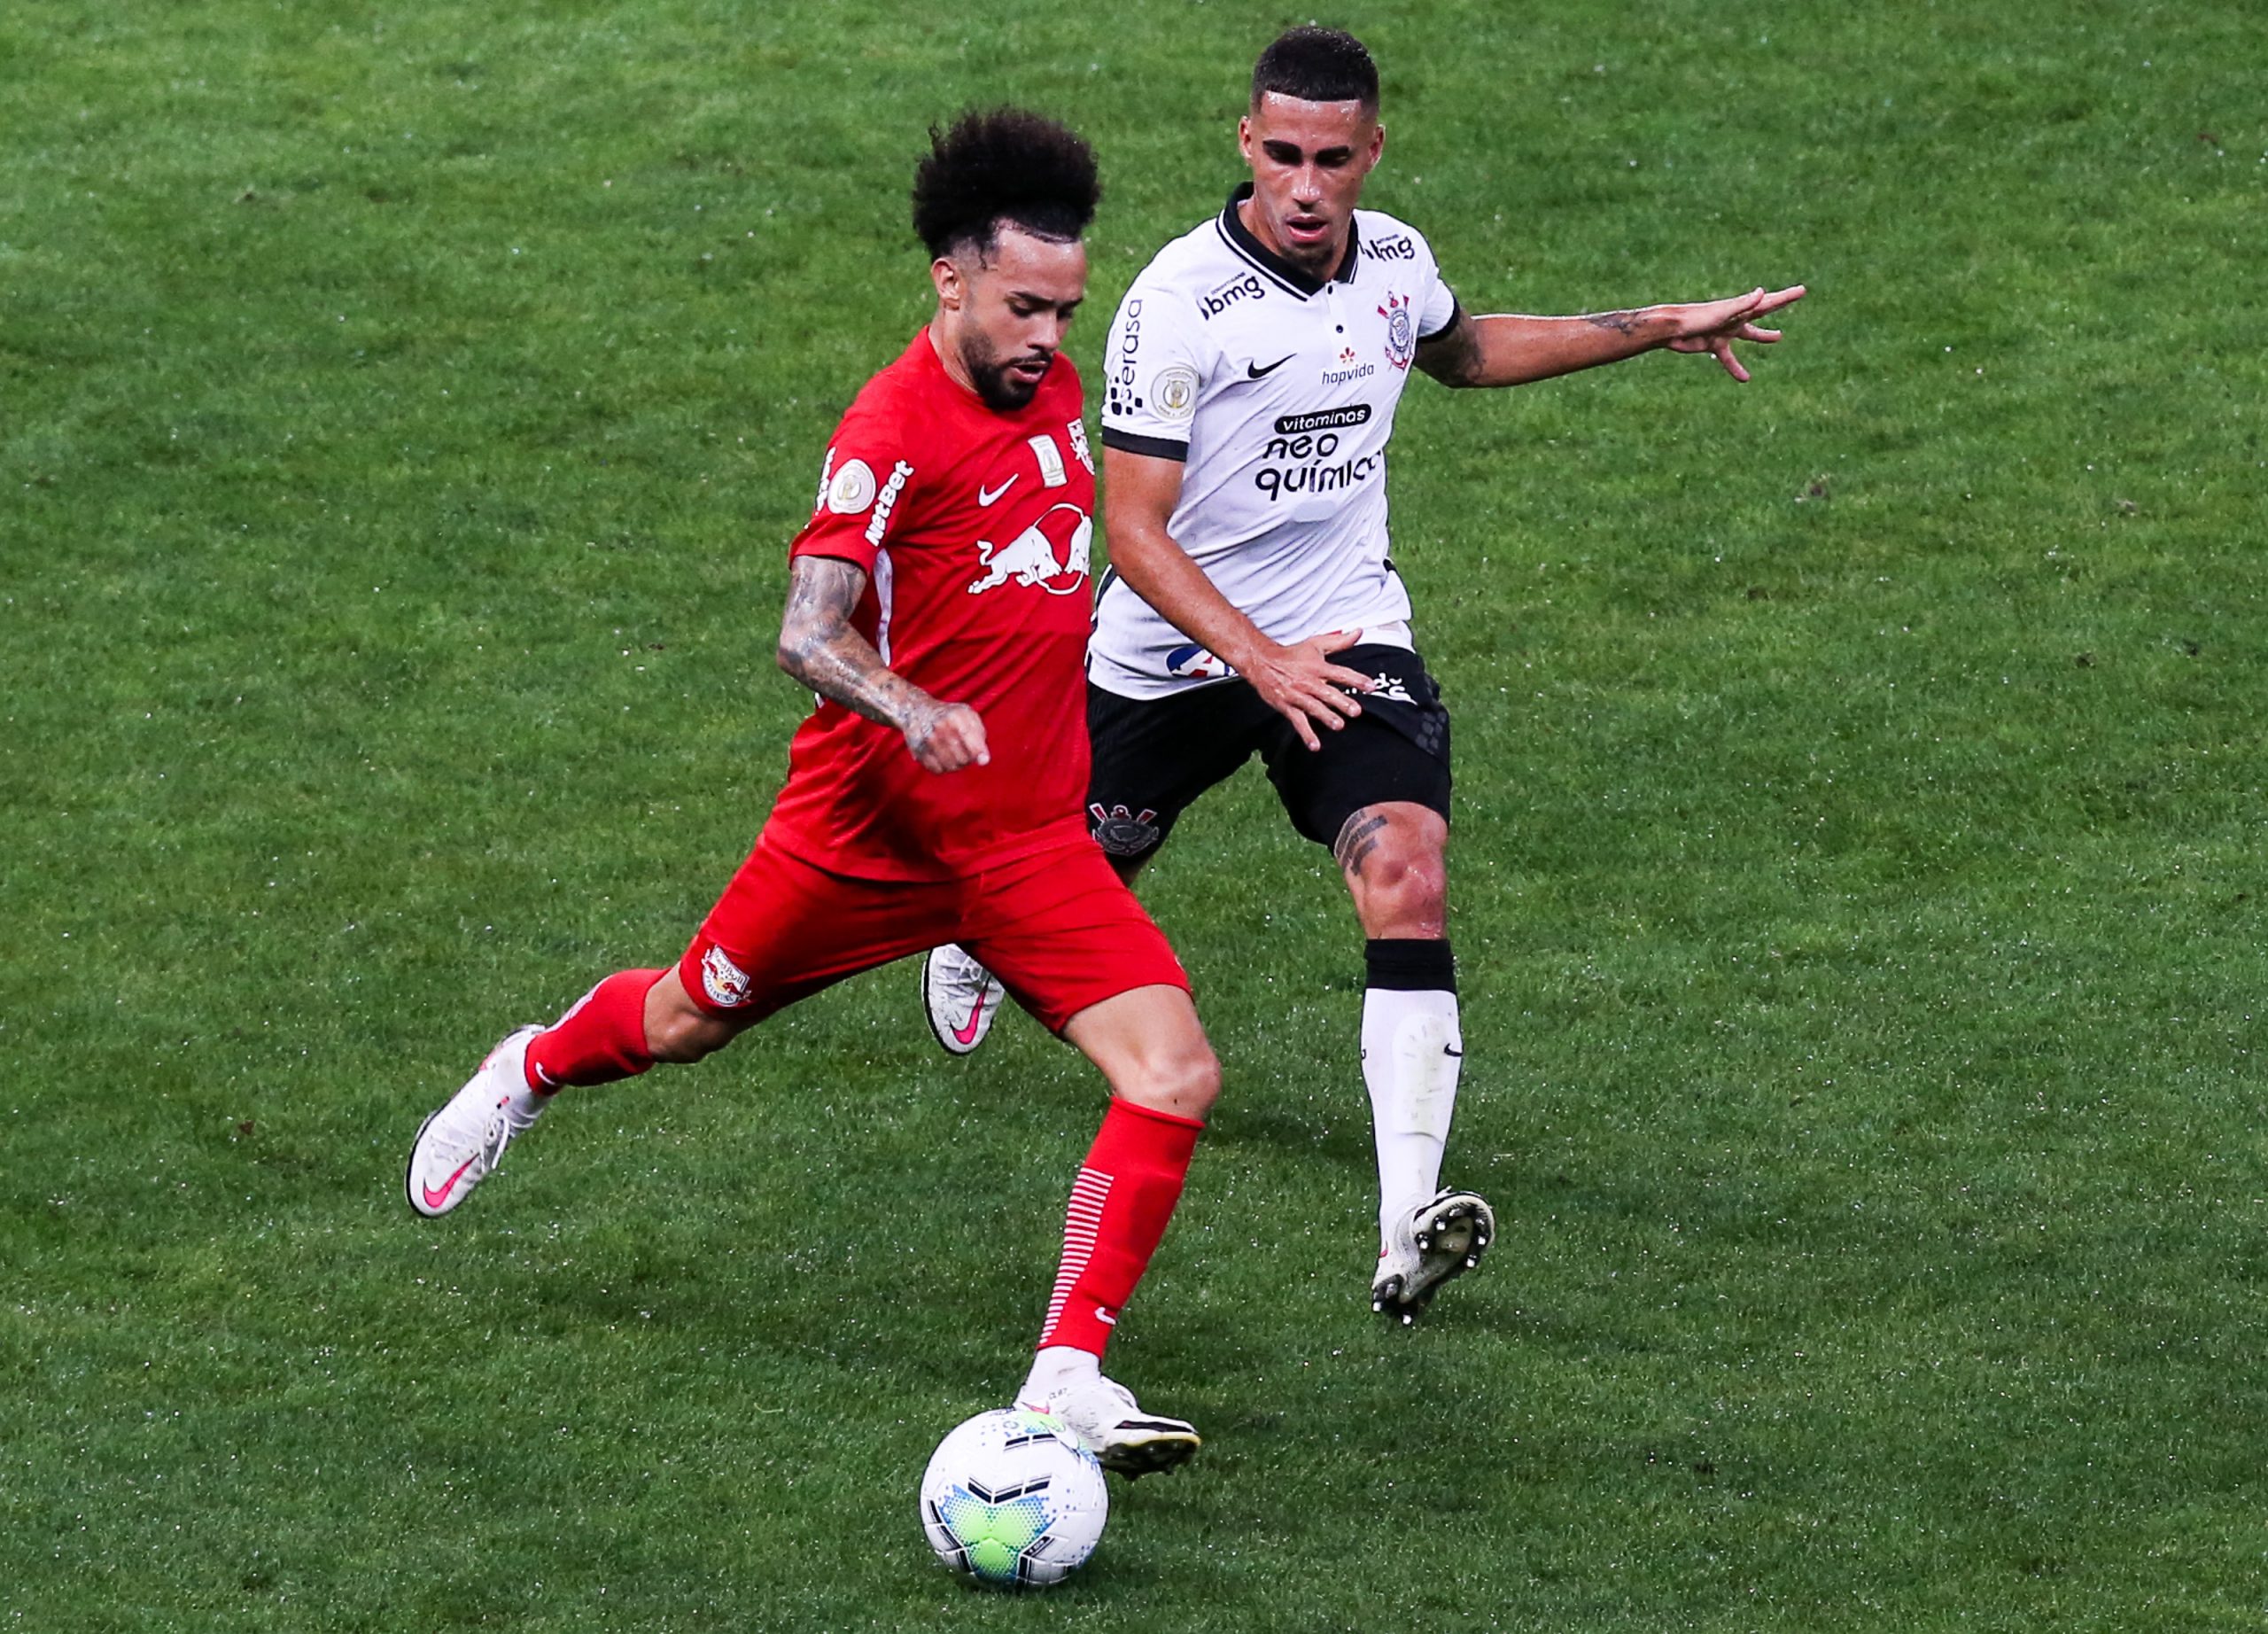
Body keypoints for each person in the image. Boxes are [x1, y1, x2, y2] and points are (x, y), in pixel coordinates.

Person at [921, 27, 1804, 1326]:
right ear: (1245, 146)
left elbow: (1465, 352)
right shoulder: (1177, 304)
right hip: (1173, 655)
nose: (1305, 184)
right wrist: (1256, 660)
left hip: (1341, 636)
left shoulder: (1392, 262)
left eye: (1333, 158)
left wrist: (1660, 325)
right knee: (1062, 876)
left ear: (1371, 152)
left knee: (1406, 866)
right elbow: (1135, 535)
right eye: (1281, 154)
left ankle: (1406, 1227)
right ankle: (974, 940)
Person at [406, 109, 1215, 1476]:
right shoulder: (891, 426)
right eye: (1024, 306)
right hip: (864, 837)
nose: (1047, 340)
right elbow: (807, 630)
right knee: (682, 1022)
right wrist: (916, 706)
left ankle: (1067, 1373)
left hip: (1023, 847)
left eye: (1067, 312)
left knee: (1176, 1073)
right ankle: (529, 1068)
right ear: (949, 277)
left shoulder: (1059, 394)